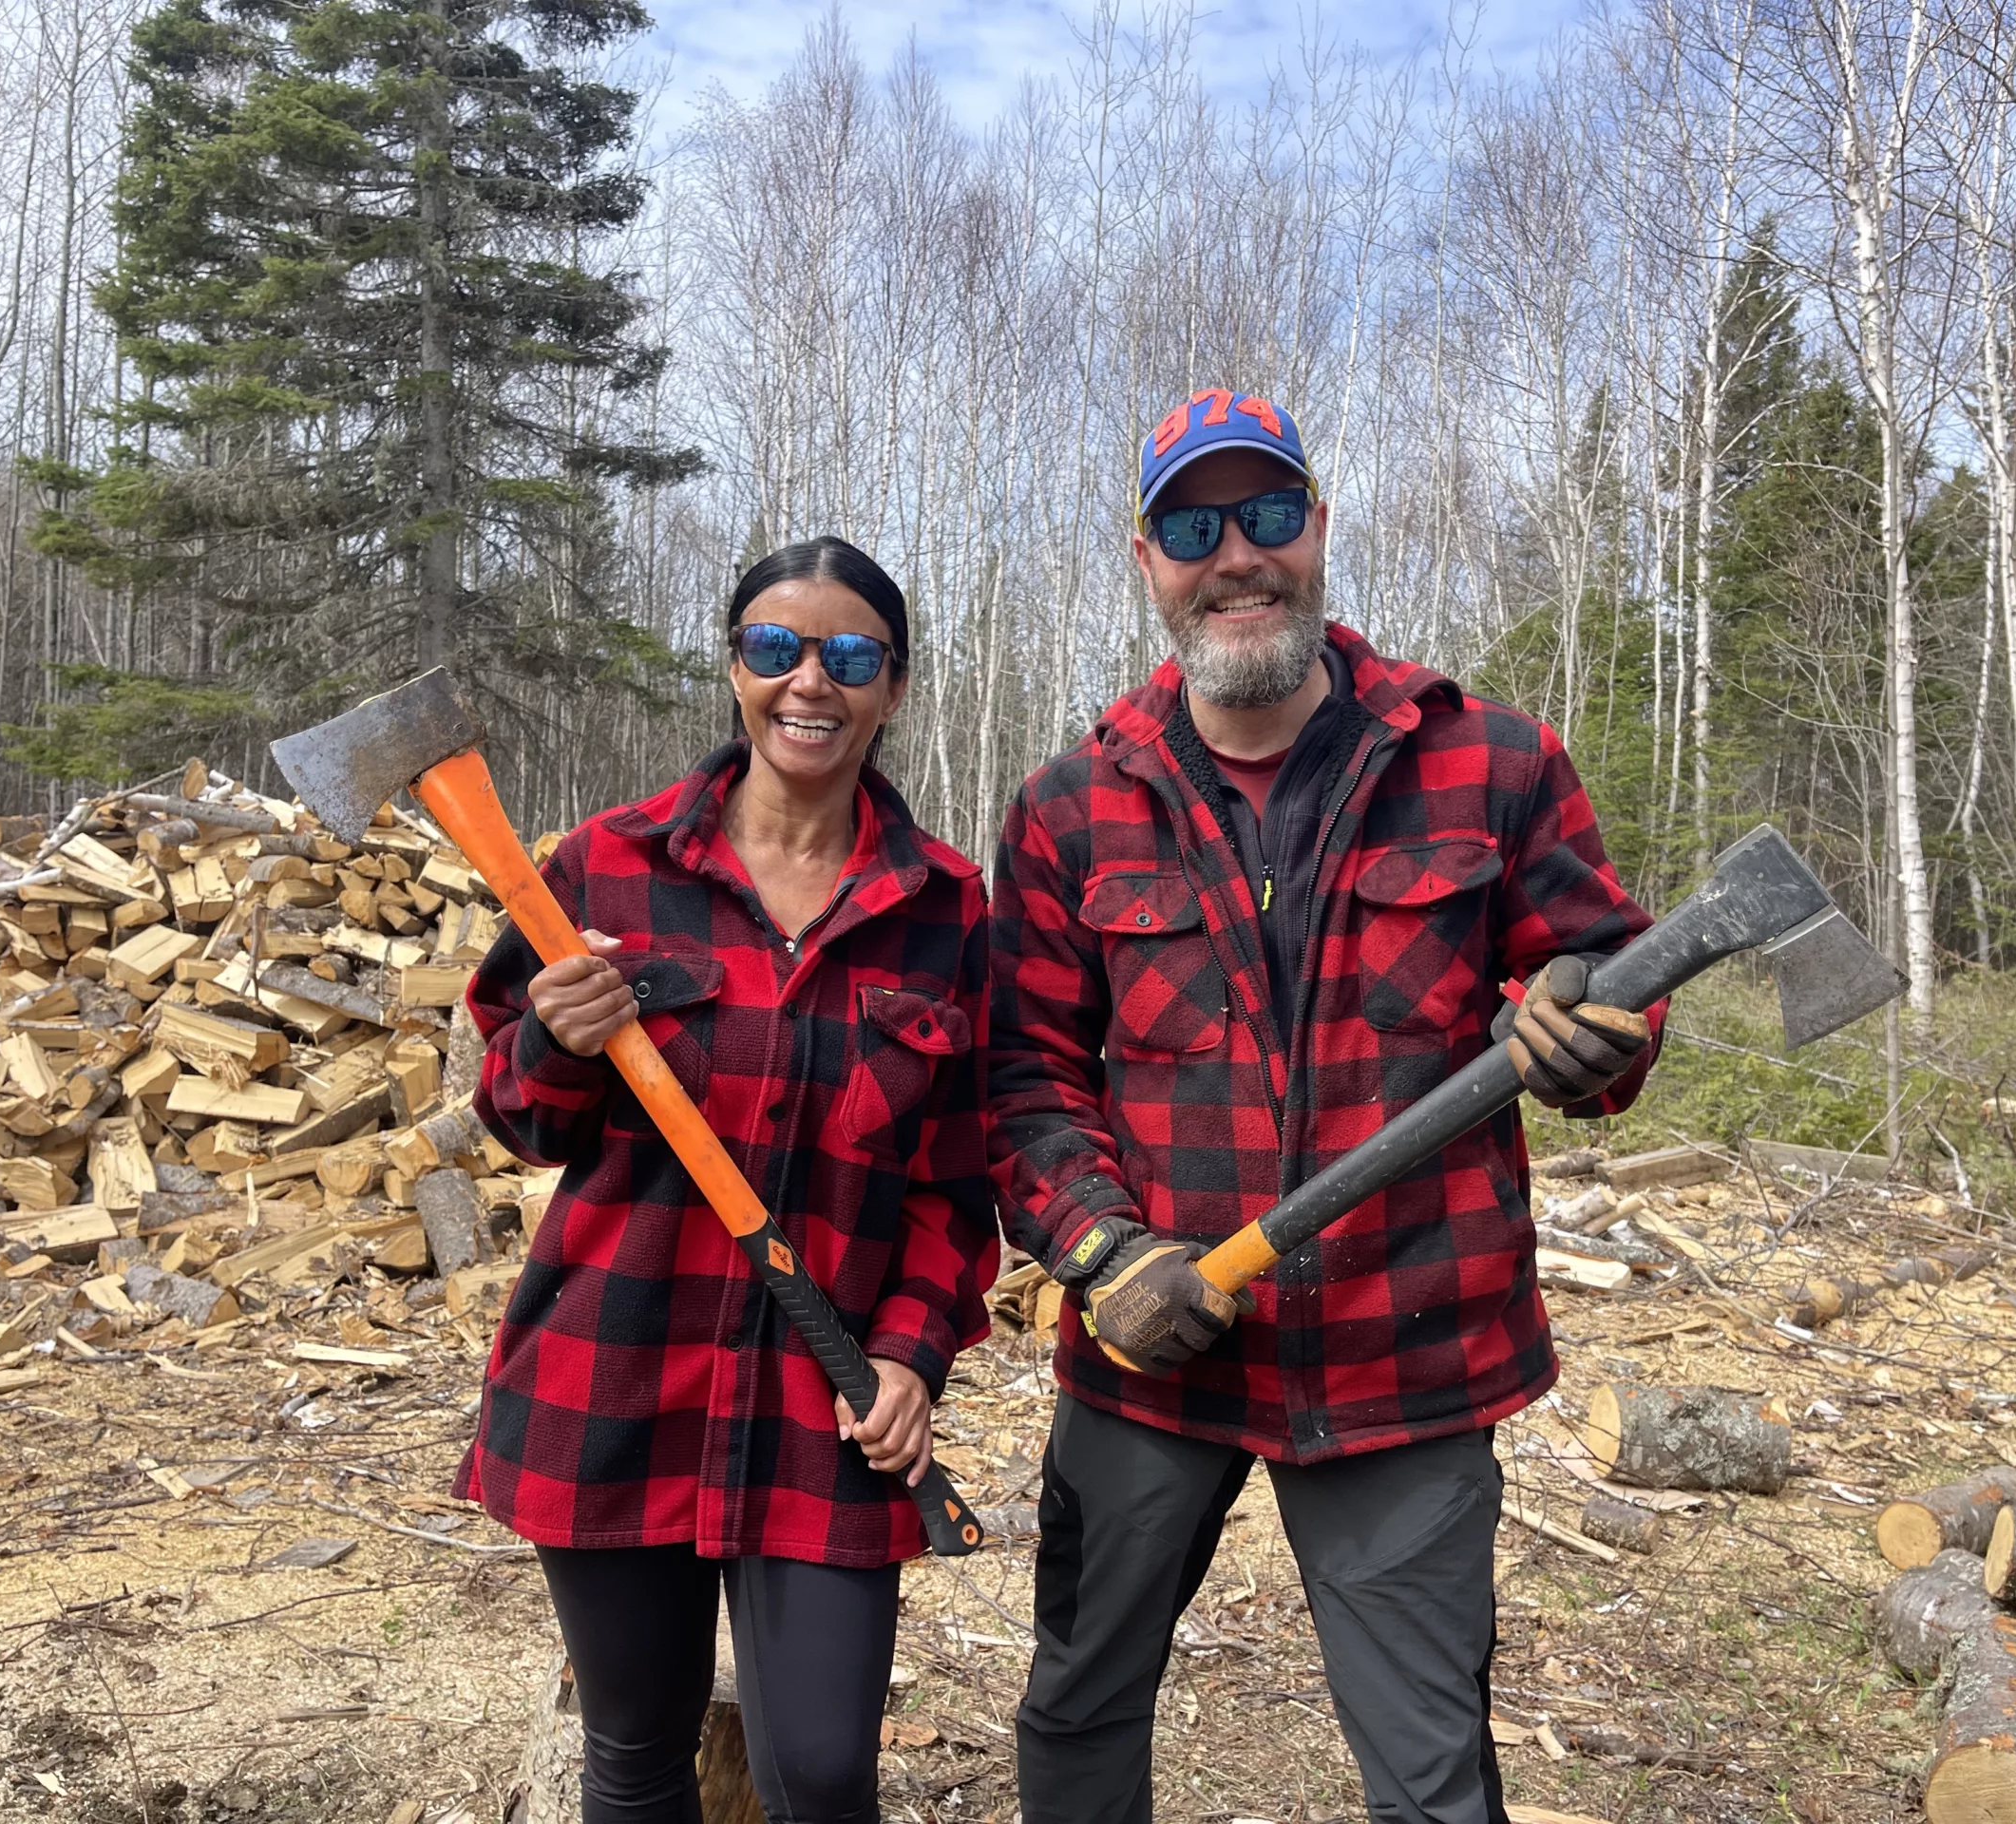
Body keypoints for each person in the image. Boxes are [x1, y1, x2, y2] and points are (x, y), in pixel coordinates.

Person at [988, 390, 1664, 1824]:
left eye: (1268, 515)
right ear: (1145, 559)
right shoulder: (1069, 806)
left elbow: (1605, 975)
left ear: (1321, 529)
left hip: (1408, 1354)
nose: (1235, 555)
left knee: (1431, 1779)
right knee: (1076, 1709)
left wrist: (1595, 1031)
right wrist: (1105, 1254)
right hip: (1155, 1355)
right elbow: (1028, 1077)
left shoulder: (1489, 759)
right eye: (1191, 525)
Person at [459, 536, 998, 1824]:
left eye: (849, 656)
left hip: (830, 1396)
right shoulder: (602, 868)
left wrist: (915, 1355)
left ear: (894, 688)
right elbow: (519, 1123)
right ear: (736, 668)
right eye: (776, 649)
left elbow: (956, 1183)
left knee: (820, 1772)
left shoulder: (949, 911)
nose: (809, 682)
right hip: (616, 1374)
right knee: (635, 1752)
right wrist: (553, 1040)